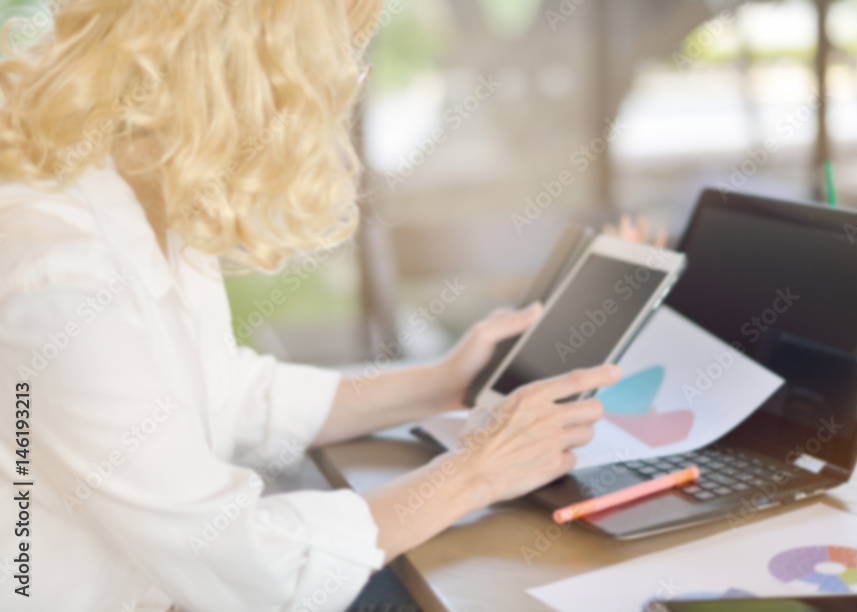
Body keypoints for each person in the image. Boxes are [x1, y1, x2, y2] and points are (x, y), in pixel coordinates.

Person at [0, 1, 619, 610]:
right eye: (336, 59)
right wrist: (475, 473)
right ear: (237, 76)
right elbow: (239, 563)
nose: (350, 83)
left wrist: (437, 382)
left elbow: (221, 392)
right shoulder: (58, 273)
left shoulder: (142, 191)